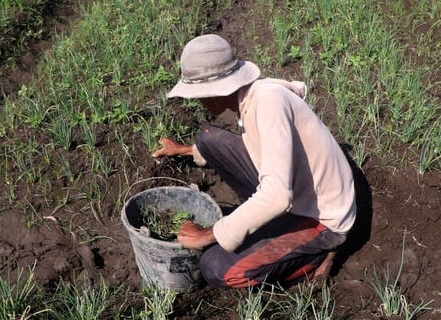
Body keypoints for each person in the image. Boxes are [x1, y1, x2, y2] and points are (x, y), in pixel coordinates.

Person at [152, 34, 357, 289]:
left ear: (215, 90)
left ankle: (312, 257)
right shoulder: (255, 95)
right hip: (296, 190)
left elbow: (276, 197)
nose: (197, 101)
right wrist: (185, 151)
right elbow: (262, 149)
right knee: (208, 139)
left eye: (198, 94)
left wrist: (207, 235)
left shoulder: (269, 103)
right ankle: (269, 226)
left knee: (216, 268)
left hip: (321, 217)